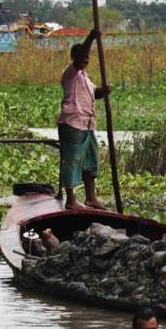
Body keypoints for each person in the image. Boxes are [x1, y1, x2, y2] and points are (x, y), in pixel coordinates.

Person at [57, 29, 111, 211]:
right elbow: (80, 60)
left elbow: (96, 94)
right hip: (72, 123)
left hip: (87, 124)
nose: (86, 61)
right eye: (83, 58)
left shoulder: (86, 78)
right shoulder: (70, 73)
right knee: (71, 161)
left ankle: (91, 198)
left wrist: (104, 91)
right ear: (74, 57)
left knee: (90, 160)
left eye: (88, 59)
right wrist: (91, 37)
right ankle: (71, 200)